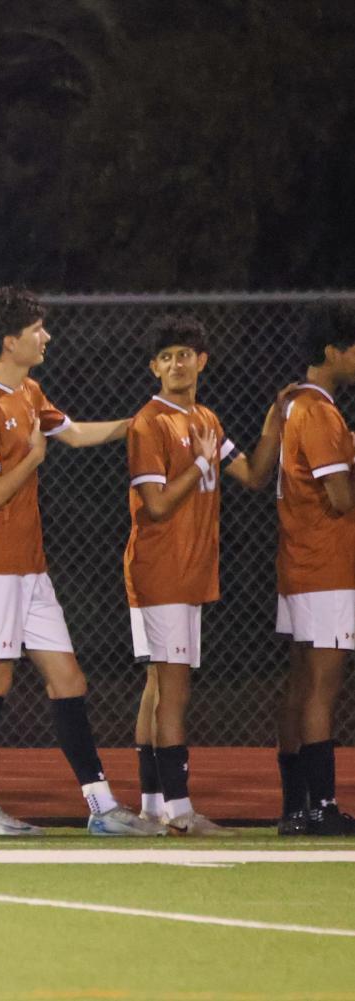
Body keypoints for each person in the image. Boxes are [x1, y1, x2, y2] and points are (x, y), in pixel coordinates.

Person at [0, 286, 163, 836]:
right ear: (9, 340)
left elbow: (77, 432)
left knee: (68, 679)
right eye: (37, 329)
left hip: (28, 565)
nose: (47, 336)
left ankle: (101, 807)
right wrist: (36, 457)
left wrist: (142, 422)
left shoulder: (31, 392)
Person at [122, 317, 283, 836]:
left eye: (184, 354)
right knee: (174, 689)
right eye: (165, 356)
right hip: (159, 569)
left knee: (157, 687)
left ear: (202, 361)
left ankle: (151, 806)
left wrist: (276, 423)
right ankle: (181, 813)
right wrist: (197, 463)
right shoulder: (150, 422)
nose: (175, 363)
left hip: (187, 571)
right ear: (153, 366)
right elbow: (158, 503)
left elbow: (254, 475)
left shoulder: (208, 419)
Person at [272, 303, 355, 836]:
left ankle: (296, 807)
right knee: (323, 687)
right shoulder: (319, 411)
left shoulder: (295, 406)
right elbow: (340, 497)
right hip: (324, 565)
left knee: (303, 686)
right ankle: (321, 806)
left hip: (301, 563)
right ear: (333, 352)